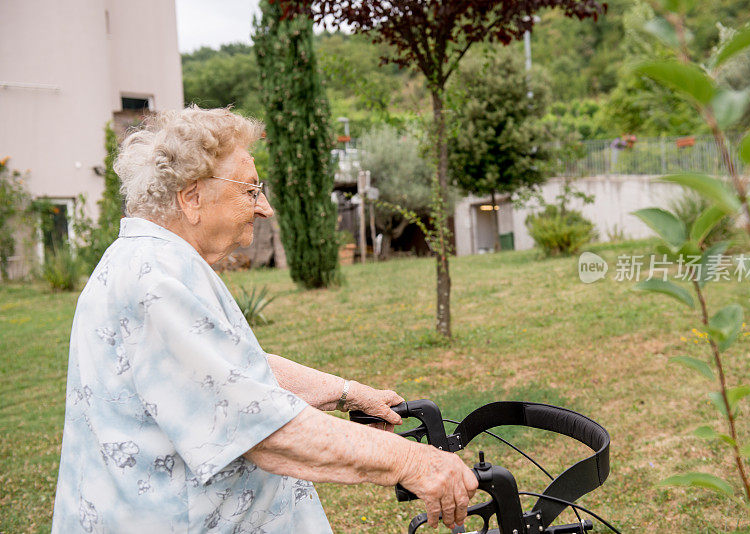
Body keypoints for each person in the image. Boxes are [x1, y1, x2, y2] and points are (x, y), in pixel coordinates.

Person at [52, 106, 477, 533]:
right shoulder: (155, 282)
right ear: (191, 197)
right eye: (250, 190)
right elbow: (261, 430)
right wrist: (410, 461)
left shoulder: (156, 263)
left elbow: (226, 370)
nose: (266, 208)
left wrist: (345, 392)